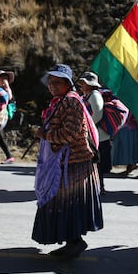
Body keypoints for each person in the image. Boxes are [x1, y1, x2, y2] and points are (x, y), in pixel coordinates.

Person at [32, 64, 103, 259]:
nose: (52, 85)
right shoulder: (61, 100)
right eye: (50, 82)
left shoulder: (71, 101)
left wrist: (46, 134)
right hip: (64, 162)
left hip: (74, 161)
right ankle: (71, 241)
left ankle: (75, 242)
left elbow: (73, 132)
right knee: (65, 202)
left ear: (67, 84)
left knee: (68, 203)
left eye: (57, 82)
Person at [78, 71, 110, 193]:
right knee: (94, 163)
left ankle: (98, 187)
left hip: (98, 136)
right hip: (94, 135)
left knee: (97, 164)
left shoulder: (95, 95)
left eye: (83, 83)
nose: (81, 85)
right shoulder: (88, 95)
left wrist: (86, 125)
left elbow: (97, 114)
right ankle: (96, 186)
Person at [112, 112, 138, 176]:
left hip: (128, 128)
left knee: (128, 149)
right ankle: (131, 166)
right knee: (131, 149)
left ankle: (131, 166)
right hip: (133, 128)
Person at [0, 70, 15, 164]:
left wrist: (7, 86)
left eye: (6, 78)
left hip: (0, 116)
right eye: (2, 78)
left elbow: (9, 97)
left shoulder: (6, 90)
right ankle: (9, 156)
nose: (4, 80)